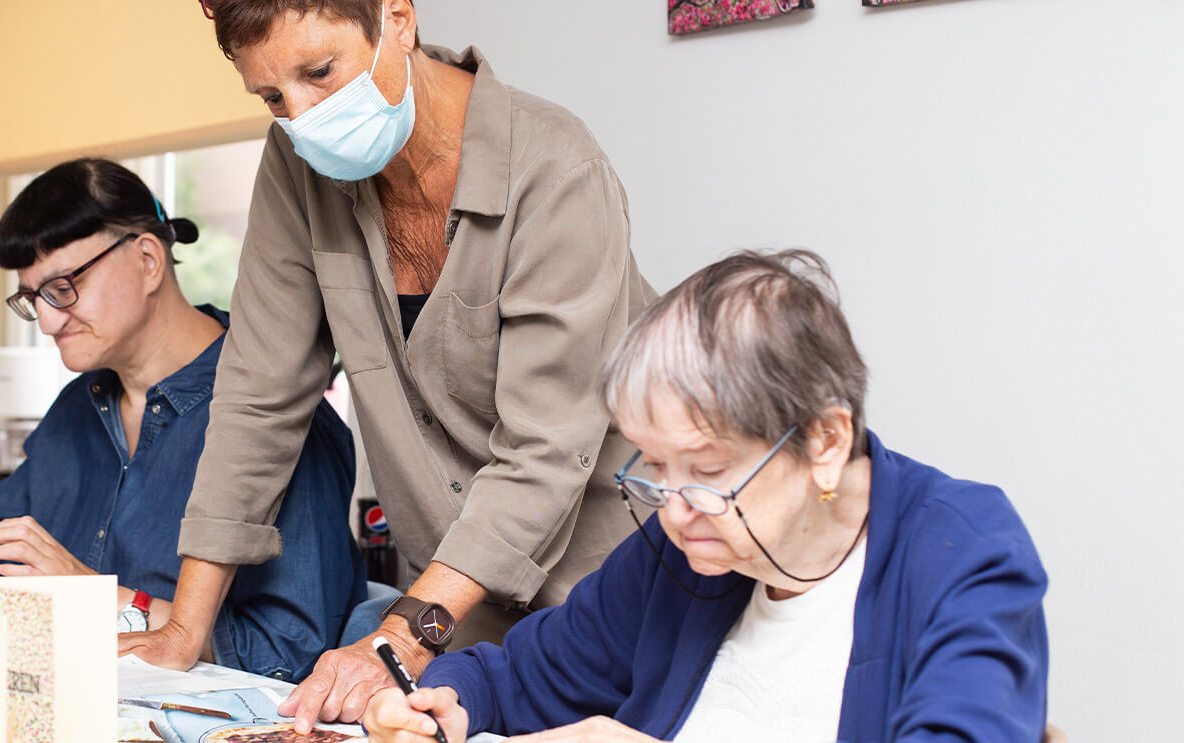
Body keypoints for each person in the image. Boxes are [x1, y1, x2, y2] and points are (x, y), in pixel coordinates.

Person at [117, 0, 657, 730]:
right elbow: (259, 395)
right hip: (452, 607)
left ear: (395, 18)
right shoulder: (298, 166)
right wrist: (184, 627)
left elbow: (545, 453)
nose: (300, 118)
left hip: (608, 586)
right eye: (271, 97)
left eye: (319, 72)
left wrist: (403, 634)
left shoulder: (554, 169)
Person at [362, 250, 1050, 743]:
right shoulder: (686, 542)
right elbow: (521, 672)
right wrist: (441, 705)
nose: (674, 507)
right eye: (657, 466)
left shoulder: (961, 547)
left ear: (827, 439)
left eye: (710, 469)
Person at [0, 157, 365, 683]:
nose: (49, 322)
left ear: (148, 260)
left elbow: (293, 651)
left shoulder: (275, 414)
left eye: (62, 287)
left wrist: (101, 599)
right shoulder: (81, 404)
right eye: (35, 299)